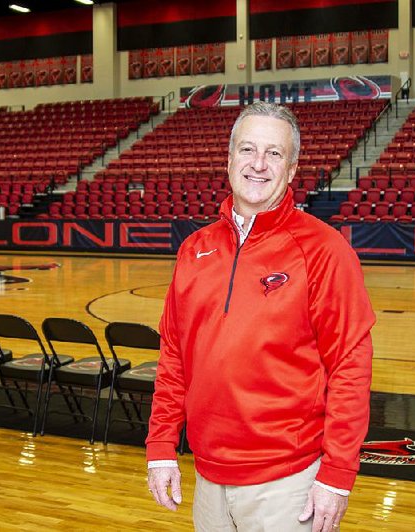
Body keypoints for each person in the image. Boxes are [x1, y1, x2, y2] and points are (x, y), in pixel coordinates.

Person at [146, 101, 375, 531]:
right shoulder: (194, 248)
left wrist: (338, 474)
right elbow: (174, 356)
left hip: (288, 482)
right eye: (248, 149)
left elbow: (350, 366)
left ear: (291, 170)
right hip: (208, 474)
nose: (258, 164)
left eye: (274, 153)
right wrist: (161, 445)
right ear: (229, 158)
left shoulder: (324, 250)